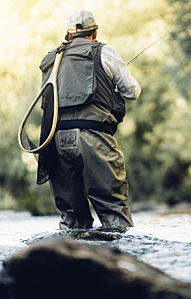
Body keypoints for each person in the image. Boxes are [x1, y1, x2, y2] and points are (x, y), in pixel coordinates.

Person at [39, 8, 141, 229]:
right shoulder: (105, 52)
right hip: (94, 138)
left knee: (72, 217)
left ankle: (70, 259)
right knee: (113, 210)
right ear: (95, 32)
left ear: (68, 34)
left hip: (56, 142)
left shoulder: (50, 60)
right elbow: (133, 92)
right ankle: (117, 260)